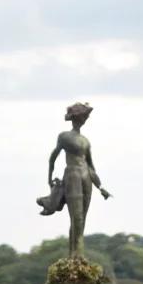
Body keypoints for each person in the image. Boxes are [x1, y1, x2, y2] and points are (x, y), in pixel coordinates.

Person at [36, 102, 111, 255]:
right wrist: (49, 179)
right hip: (72, 177)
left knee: (82, 219)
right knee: (76, 217)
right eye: (83, 116)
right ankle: (74, 256)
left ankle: (77, 255)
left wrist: (101, 187)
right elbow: (53, 158)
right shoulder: (64, 136)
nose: (85, 119)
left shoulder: (85, 141)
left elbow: (91, 166)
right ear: (76, 117)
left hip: (87, 179)